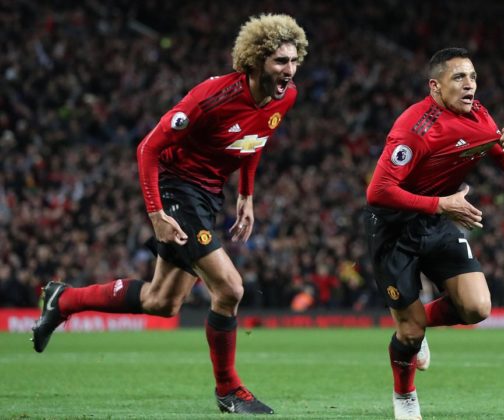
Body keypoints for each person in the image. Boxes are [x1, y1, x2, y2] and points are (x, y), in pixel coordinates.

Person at [31, 13, 308, 415]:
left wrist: (246, 194)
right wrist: (156, 213)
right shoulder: (212, 96)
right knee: (230, 289)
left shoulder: (286, 96)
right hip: (176, 187)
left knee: (162, 302)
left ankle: (65, 299)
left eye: (294, 60)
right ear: (255, 61)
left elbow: (256, 139)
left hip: (209, 196)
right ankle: (229, 389)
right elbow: (147, 148)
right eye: (280, 61)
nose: (289, 69)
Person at [363, 47, 504, 420]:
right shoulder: (415, 129)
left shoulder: (480, 117)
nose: (470, 85)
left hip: (436, 219)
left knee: (476, 308)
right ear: (435, 86)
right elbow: (378, 191)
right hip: (392, 227)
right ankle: (405, 396)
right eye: (459, 77)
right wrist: (441, 204)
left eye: (473, 77)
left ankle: (416, 322)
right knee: (409, 335)